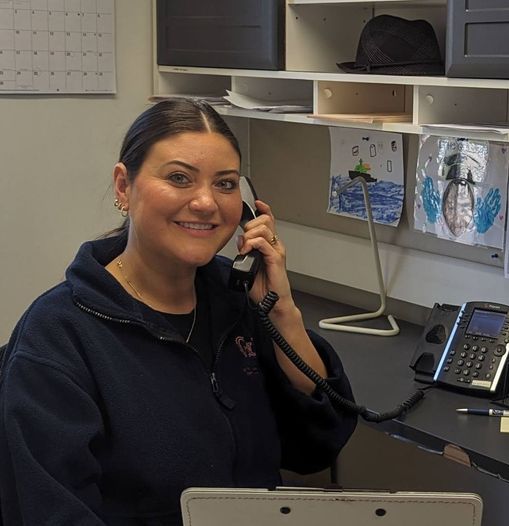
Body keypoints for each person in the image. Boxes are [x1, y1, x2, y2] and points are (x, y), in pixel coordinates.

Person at [0, 99, 357, 525]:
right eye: (179, 178)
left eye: (225, 185)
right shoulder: (59, 335)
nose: (206, 202)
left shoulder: (236, 301)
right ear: (123, 187)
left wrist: (280, 312)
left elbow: (318, 444)